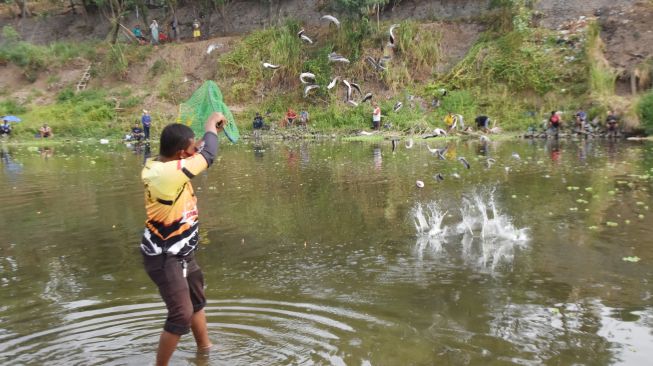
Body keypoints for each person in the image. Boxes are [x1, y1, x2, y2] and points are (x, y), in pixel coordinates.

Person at [140, 112, 226, 366]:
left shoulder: (163, 165)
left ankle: (204, 350)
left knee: (197, 302)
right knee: (181, 314)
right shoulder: (167, 175)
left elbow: (200, 149)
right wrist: (210, 125)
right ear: (181, 154)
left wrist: (204, 138)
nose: (196, 151)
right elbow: (208, 155)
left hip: (182, 252)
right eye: (191, 148)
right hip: (165, 256)